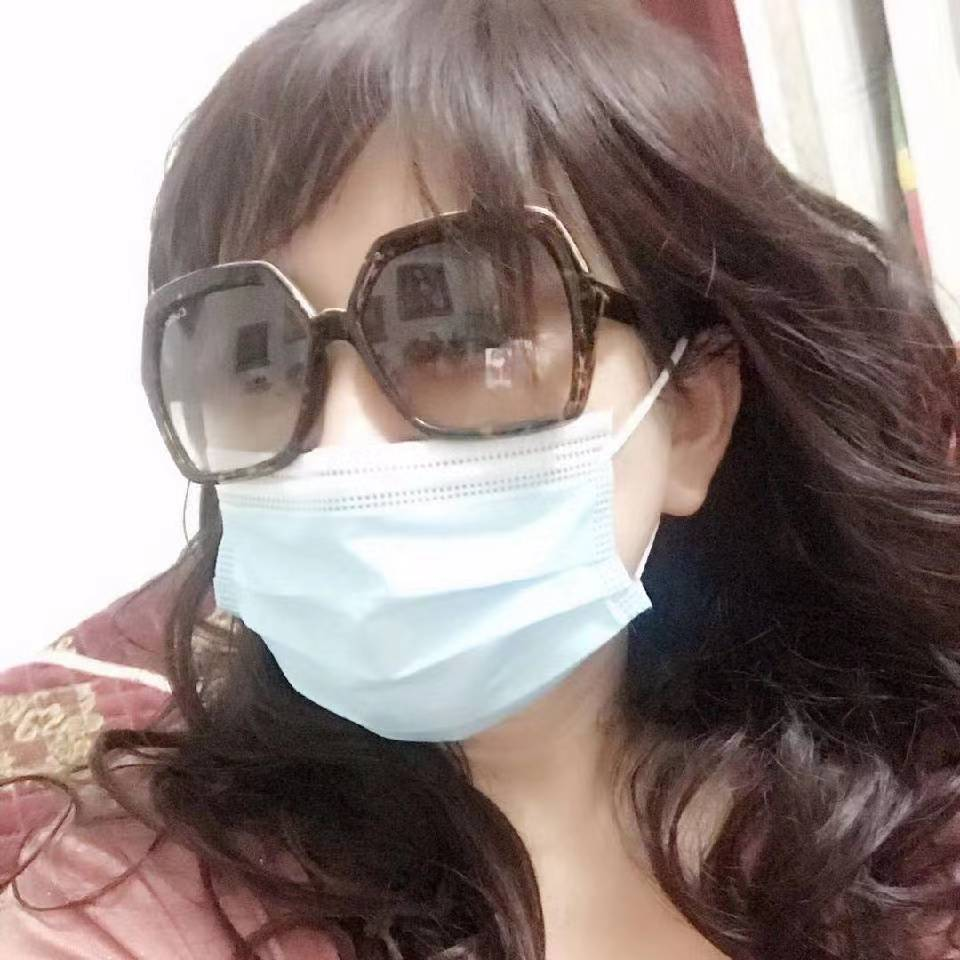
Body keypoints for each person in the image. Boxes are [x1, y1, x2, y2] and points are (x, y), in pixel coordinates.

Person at [2, 0, 959, 957]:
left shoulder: (910, 846)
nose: (339, 444)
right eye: (254, 361)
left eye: (463, 332)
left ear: (692, 415)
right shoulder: (121, 909)